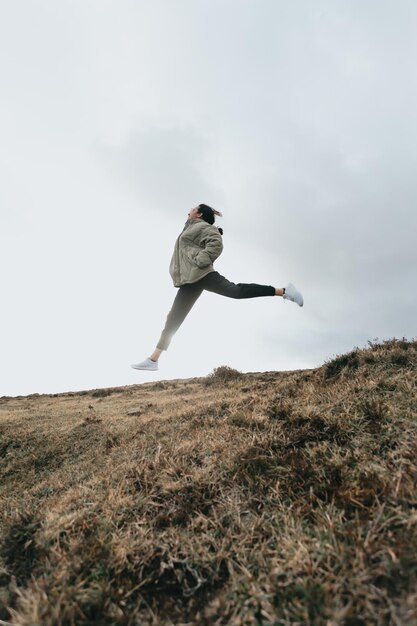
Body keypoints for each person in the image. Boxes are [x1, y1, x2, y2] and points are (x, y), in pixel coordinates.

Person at [131, 204, 303, 371]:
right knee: (174, 318)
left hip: (202, 274)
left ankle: (284, 291)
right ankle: (153, 360)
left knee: (236, 291)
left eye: (191, 210)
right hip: (190, 280)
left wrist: (201, 260)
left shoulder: (204, 227)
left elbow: (215, 243)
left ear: (198, 214)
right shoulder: (190, 228)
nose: (188, 212)